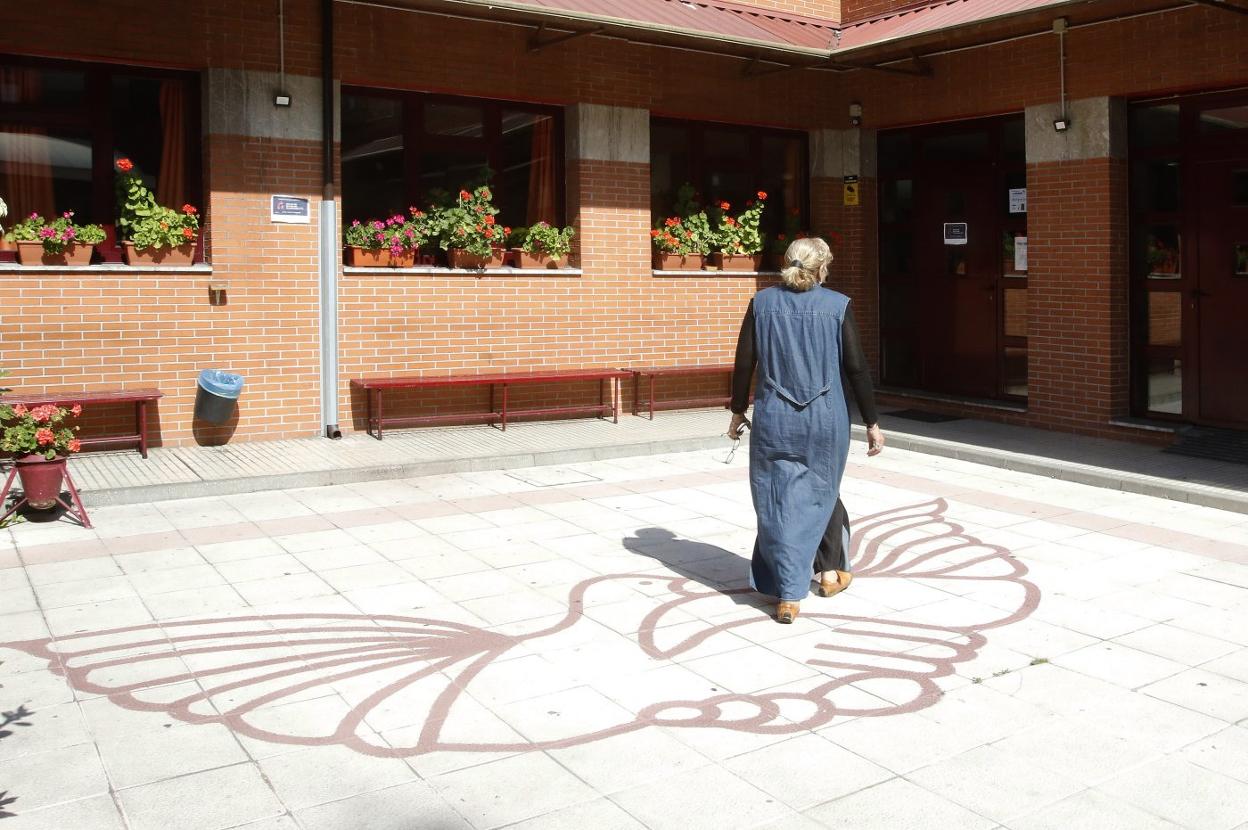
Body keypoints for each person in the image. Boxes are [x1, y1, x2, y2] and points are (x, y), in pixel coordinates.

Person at [728, 237, 884, 623]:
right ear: (823, 267)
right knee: (820, 489)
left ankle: (803, 584)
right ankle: (803, 585)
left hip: (774, 418)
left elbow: (744, 361)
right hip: (825, 419)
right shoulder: (837, 306)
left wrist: (736, 411)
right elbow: (857, 368)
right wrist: (872, 421)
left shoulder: (761, 304)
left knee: (778, 498)